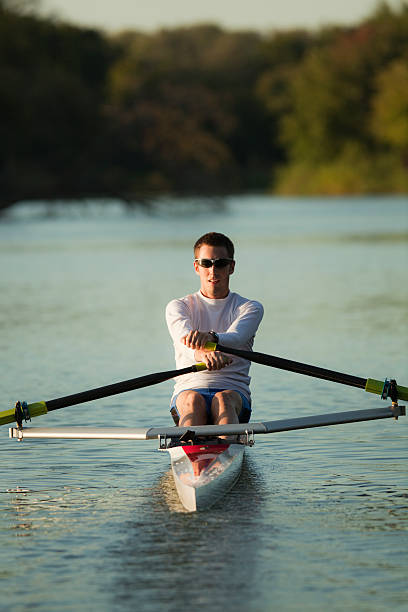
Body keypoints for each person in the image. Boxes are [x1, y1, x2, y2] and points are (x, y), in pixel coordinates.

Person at [165, 232, 263, 428]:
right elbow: (185, 344)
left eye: (220, 263)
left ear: (231, 267)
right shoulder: (178, 307)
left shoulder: (250, 307)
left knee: (223, 401)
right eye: (206, 263)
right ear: (196, 267)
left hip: (233, 390)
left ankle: (217, 451)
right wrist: (203, 355)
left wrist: (211, 337)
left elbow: (237, 337)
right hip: (189, 388)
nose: (213, 270)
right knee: (194, 401)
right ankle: (195, 454)